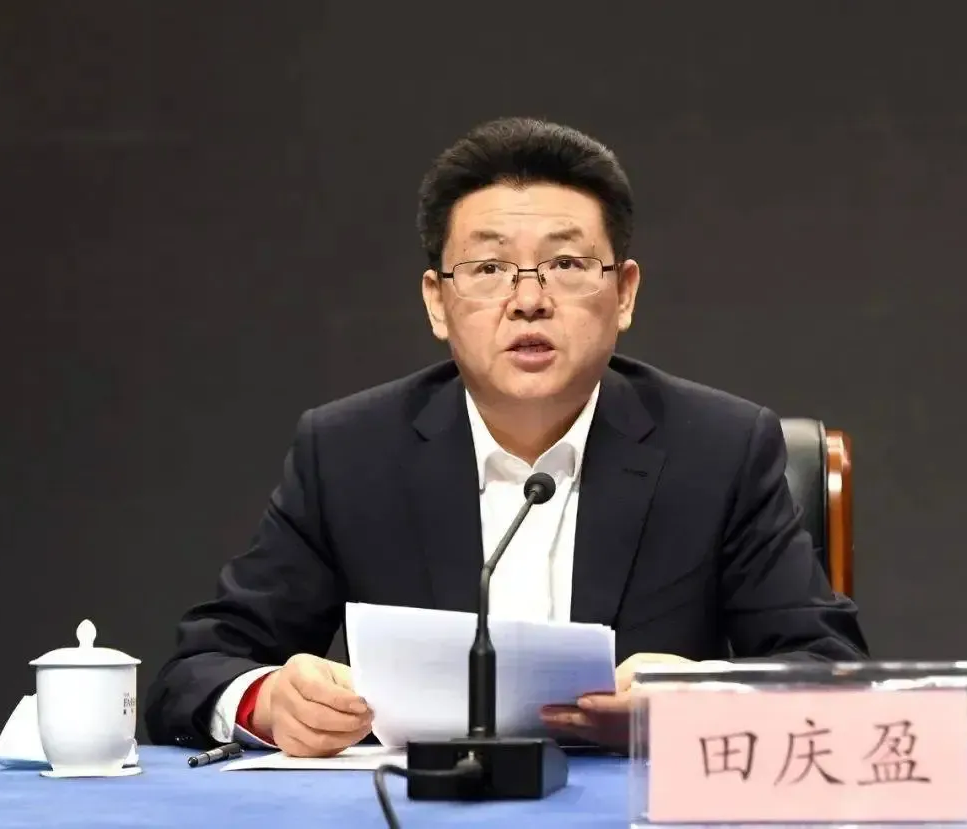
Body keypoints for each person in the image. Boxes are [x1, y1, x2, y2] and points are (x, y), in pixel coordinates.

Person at [144, 116, 868, 757]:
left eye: (566, 264)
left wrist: (699, 699)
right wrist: (268, 701)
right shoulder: (349, 453)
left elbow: (836, 676)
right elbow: (197, 670)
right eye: (488, 268)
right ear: (437, 301)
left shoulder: (719, 449)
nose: (528, 300)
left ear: (624, 294)